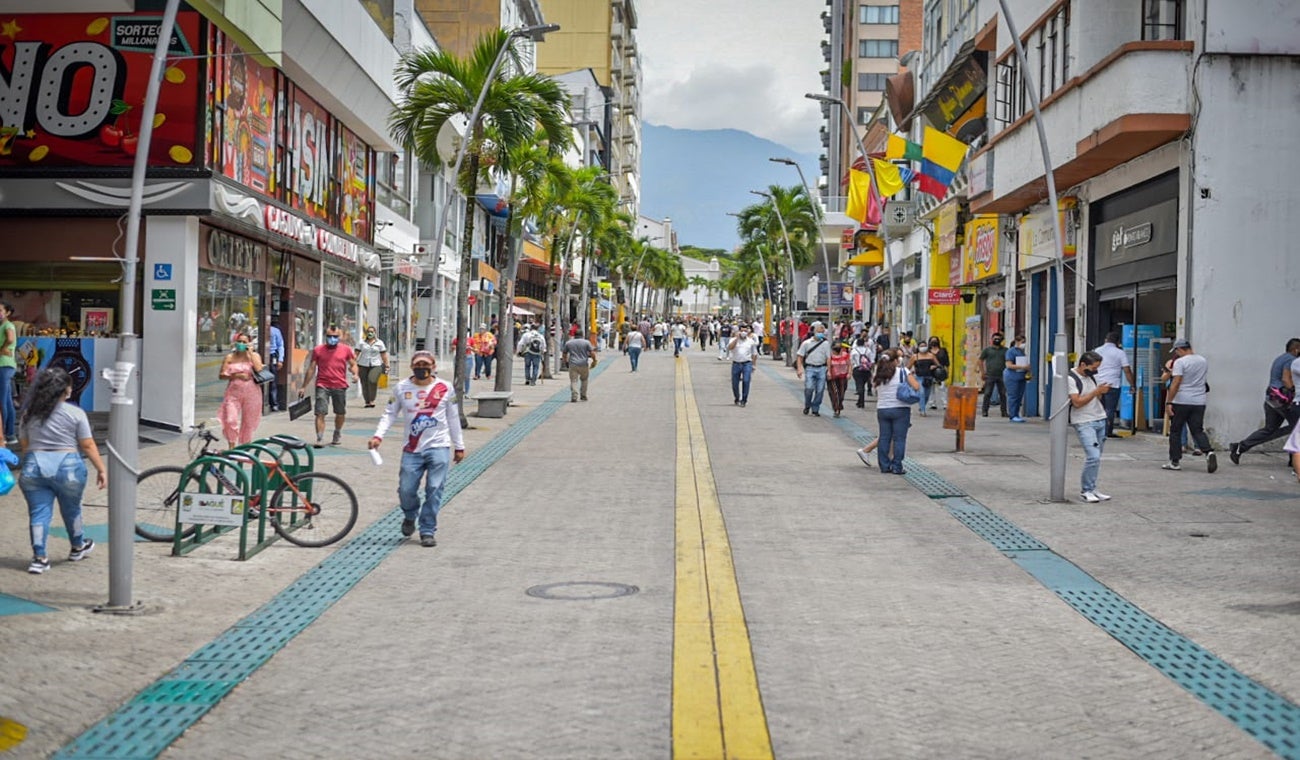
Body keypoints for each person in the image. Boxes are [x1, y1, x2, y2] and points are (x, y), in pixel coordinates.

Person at [368, 352, 465, 548]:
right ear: (412, 367)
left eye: (426, 365)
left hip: (439, 446)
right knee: (406, 489)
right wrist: (378, 435)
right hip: (412, 448)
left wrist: (459, 446)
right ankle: (410, 514)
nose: (422, 368)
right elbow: (389, 413)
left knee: (434, 489)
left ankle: (427, 529)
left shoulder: (445, 388)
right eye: (418, 365)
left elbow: (453, 418)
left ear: (433, 366)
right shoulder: (402, 388)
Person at [17, 367, 107, 574]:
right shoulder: (75, 413)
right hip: (68, 466)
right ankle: (77, 546)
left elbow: (24, 446)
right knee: (72, 509)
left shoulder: (28, 415)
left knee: (38, 513)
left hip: (34, 466)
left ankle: (39, 558)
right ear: (66, 390)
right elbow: (88, 445)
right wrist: (101, 469)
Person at [1230, 338, 1300, 464]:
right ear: (1296, 349)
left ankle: (1240, 447)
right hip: (1284, 401)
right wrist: (1294, 391)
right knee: (1296, 428)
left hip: (1272, 399)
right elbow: (1286, 379)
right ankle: (1294, 460)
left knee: (1270, 429)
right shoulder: (1291, 360)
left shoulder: (1280, 358)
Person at [1162, 339, 1217, 473]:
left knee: (1175, 430)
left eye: (1176, 351)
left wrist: (1169, 402)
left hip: (1181, 400)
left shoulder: (1181, 362)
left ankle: (1175, 461)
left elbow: (1176, 383)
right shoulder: (1202, 360)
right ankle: (1208, 452)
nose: (1176, 353)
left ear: (1180, 349)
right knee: (1197, 430)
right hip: (1199, 401)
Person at [299, 326, 359, 446]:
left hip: (339, 385)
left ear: (339, 337)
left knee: (340, 412)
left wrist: (355, 374)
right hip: (322, 384)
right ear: (325, 336)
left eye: (335, 336)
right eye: (330, 336)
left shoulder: (346, 350)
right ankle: (319, 438)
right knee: (320, 412)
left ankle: (337, 432)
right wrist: (304, 386)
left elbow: (353, 364)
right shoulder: (318, 350)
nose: (332, 339)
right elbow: (311, 368)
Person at [1066, 351, 1113, 502]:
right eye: (1093, 368)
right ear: (1083, 365)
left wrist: (1101, 391)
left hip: (1099, 417)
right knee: (1093, 456)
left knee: (1097, 457)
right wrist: (1096, 392)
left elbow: (1096, 397)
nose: (1095, 371)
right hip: (1084, 421)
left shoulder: (1092, 376)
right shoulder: (1070, 379)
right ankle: (1086, 490)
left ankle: (1092, 487)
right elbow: (1077, 402)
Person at [871, 348, 921, 474]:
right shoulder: (903, 371)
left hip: (882, 409)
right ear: (895, 361)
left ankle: (884, 466)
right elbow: (916, 386)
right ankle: (897, 466)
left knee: (884, 437)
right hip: (900, 409)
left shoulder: (878, 373)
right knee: (899, 439)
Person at [217, 331, 265, 448]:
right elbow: (221, 375)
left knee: (248, 422)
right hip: (233, 393)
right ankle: (231, 446)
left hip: (252, 393)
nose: (241, 344)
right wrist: (236, 375)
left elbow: (259, 369)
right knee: (230, 419)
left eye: (244, 342)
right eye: (239, 341)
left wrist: (251, 353)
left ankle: (245, 447)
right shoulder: (230, 357)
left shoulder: (254, 356)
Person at [1092, 331, 1135, 437]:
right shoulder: (1120, 352)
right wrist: (1132, 384)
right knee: (1110, 409)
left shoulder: (1097, 351)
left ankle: (1098, 430)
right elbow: (1127, 370)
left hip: (1098, 384)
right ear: (1118, 342)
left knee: (1099, 408)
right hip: (1113, 384)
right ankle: (1107, 431)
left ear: (1106, 340)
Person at [795, 321, 832, 416]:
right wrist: (799, 368)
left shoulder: (826, 344)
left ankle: (815, 408)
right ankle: (807, 405)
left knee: (820, 390)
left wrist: (829, 371)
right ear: (814, 332)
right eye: (819, 331)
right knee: (809, 388)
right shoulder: (806, 343)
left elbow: (828, 358)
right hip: (810, 368)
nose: (821, 334)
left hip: (822, 369)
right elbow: (800, 356)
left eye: (822, 332)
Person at [356, 326, 389, 409]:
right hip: (363, 364)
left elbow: (383, 355)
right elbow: (356, 354)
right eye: (368, 331)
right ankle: (367, 401)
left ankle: (372, 400)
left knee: (372, 380)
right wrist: (352, 364)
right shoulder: (361, 342)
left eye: (372, 331)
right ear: (366, 333)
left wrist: (387, 365)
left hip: (376, 365)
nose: (370, 333)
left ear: (375, 333)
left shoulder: (380, 343)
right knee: (364, 383)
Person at [728, 325, 760, 407]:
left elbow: (754, 354)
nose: (743, 332)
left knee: (746, 381)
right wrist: (736, 339)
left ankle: (744, 400)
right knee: (735, 383)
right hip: (736, 363)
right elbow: (730, 348)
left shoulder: (750, 341)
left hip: (747, 363)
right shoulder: (733, 340)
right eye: (742, 331)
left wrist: (754, 365)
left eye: (745, 331)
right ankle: (737, 397)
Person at [979, 332, 1009, 417]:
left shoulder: (1005, 350)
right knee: (987, 393)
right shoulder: (987, 350)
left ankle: (1004, 412)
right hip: (990, 375)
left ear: (1001, 340)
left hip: (1002, 375)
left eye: (998, 339)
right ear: (992, 340)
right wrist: (982, 372)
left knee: (1003, 394)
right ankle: (984, 411)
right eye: (995, 339)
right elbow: (980, 360)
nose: (997, 340)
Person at [564, 332, 598, 402]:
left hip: (573, 364)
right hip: (584, 364)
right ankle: (583, 395)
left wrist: (566, 362)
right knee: (584, 380)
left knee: (574, 380)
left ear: (574, 335)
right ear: (582, 335)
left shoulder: (569, 343)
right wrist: (594, 360)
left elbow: (564, 354)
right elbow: (592, 353)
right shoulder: (586, 342)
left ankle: (574, 396)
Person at [1003, 334, 1030, 422]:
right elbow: (1009, 365)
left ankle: (1016, 414)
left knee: (1019, 396)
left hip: (1021, 376)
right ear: (1017, 342)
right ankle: (1012, 415)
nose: (1024, 344)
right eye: (1022, 342)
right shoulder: (1011, 351)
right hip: (1012, 376)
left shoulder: (1022, 352)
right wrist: (1022, 367)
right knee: (1013, 396)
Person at [0, 302, 16, 444]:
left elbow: (10, 339)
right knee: (7, 402)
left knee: (2, 401)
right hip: (7, 365)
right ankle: (10, 434)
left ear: (7, 313)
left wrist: (2, 348)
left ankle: (2, 434)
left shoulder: (7, 326)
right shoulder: (3, 326)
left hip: (3, 365)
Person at [911, 341, 938, 417]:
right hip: (919, 377)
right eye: (921, 346)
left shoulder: (931, 356)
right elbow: (908, 366)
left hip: (929, 377)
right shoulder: (915, 357)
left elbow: (938, 365)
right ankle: (923, 411)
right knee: (921, 393)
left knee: (927, 395)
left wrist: (934, 367)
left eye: (924, 345)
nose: (923, 347)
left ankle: (922, 406)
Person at [827, 341, 852, 418]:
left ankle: (839, 405)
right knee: (835, 393)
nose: (837, 350)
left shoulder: (845, 355)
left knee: (841, 393)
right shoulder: (830, 356)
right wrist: (829, 372)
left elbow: (849, 364)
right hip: (833, 377)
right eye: (835, 348)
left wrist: (849, 373)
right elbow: (828, 365)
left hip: (843, 376)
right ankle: (836, 409)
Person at [850, 336, 875, 407]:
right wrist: (871, 370)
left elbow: (851, 361)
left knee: (859, 384)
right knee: (863, 384)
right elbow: (872, 361)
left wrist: (850, 370)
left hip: (857, 368)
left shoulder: (854, 351)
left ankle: (861, 401)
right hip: (866, 370)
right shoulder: (868, 350)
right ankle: (860, 401)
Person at [266, 323, 285, 411]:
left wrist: (280, 359)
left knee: (272, 381)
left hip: (272, 356)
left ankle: (273, 403)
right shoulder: (257, 329)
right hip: (259, 356)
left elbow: (280, 345)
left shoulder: (275, 331)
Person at [928, 337, 950, 411]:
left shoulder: (942, 350)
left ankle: (945, 403)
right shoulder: (928, 351)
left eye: (935, 341)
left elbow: (947, 362)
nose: (934, 342)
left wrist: (947, 370)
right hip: (930, 371)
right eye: (932, 341)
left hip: (941, 371)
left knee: (942, 387)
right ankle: (932, 403)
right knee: (931, 388)